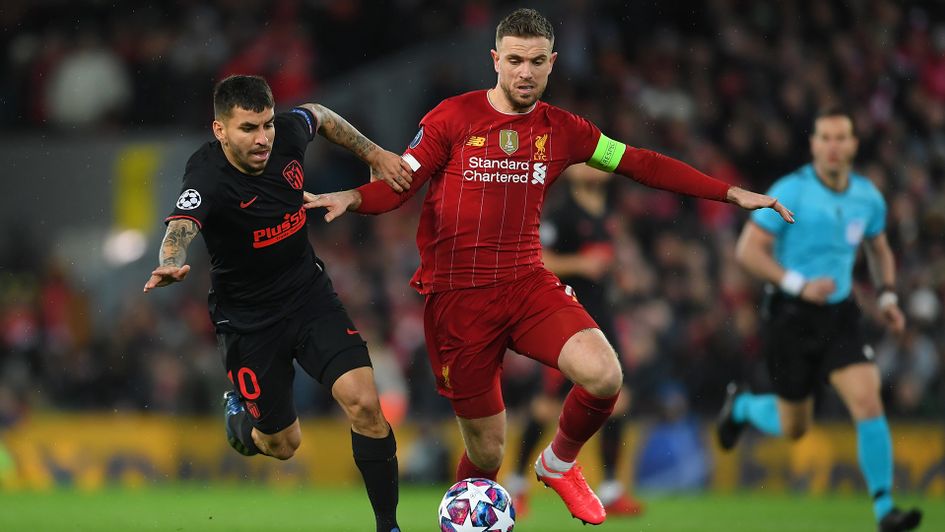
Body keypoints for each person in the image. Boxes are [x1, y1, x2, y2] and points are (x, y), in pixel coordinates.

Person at [306, 8, 792, 525]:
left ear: (552, 63)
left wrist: (729, 193)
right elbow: (399, 181)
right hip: (458, 301)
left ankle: (559, 463)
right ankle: (468, 513)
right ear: (495, 60)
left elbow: (640, 163)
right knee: (487, 453)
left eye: (537, 61)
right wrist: (353, 198)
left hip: (525, 283)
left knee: (605, 375)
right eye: (514, 60)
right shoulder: (451, 118)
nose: (525, 72)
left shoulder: (566, 131)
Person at [142, 75, 412, 532]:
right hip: (248, 322)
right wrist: (170, 261)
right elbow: (180, 225)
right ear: (220, 130)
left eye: (266, 123)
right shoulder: (207, 175)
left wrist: (375, 154)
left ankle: (388, 525)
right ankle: (240, 423)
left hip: (308, 296)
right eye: (248, 128)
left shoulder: (287, 133)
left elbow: (321, 115)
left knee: (365, 403)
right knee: (284, 444)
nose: (264, 137)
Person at [717, 107, 922, 532]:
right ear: (813, 145)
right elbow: (747, 251)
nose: (832, 146)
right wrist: (797, 283)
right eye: (824, 138)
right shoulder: (790, 190)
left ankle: (886, 510)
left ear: (853, 144)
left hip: (840, 317)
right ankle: (744, 407)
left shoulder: (868, 196)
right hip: (790, 316)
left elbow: (878, 247)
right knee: (795, 427)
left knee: (867, 400)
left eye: (840, 138)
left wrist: (886, 295)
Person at [504, 164, 643, 518]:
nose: (592, 167)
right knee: (545, 407)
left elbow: (606, 262)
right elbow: (539, 259)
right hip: (568, 318)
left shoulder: (608, 214)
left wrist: (620, 277)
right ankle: (517, 484)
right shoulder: (563, 215)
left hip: (603, 315)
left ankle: (612, 488)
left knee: (619, 401)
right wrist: (582, 265)